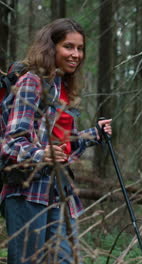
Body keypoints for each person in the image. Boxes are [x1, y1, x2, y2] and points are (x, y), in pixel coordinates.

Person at [0, 18, 112, 264]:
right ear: (51, 48)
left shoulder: (61, 87)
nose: (75, 54)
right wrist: (42, 155)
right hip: (27, 192)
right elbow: (10, 144)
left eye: (80, 48)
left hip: (58, 191)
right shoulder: (31, 82)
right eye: (68, 47)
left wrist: (95, 134)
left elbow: (64, 146)